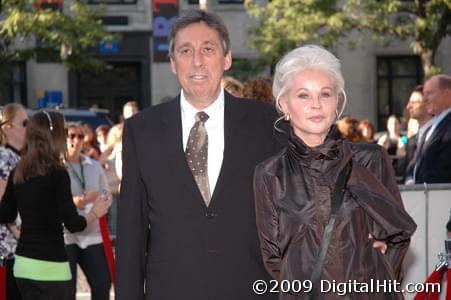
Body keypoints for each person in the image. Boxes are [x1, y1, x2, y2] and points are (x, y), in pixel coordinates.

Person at [116, 9, 282, 300]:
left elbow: (297, 208)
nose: (197, 61)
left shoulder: (268, 124)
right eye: (185, 50)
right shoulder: (141, 131)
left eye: (208, 49)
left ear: (227, 58)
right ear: (172, 62)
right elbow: (131, 234)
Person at [253, 45, 417, 299]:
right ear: (284, 105)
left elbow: (397, 236)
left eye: (325, 94)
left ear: (337, 103)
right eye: (303, 95)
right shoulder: (270, 173)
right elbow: (274, 260)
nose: (316, 104)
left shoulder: (369, 159)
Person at [0, 111, 111, 300]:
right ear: (55, 135)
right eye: (65, 131)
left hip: (24, 264)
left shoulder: (19, 171)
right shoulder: (58, 173)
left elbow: (5, 215)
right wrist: (95, 212)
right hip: (52, 265)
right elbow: (73, 224)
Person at [64, 123, 112, 300]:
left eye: (80, 136)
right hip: (66, 235)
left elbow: (106, 192)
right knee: (67, 290)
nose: (76, 140)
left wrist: (102, 200)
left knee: (102, 284)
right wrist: (76, 202)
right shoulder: (56, 167)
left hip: (92, 234)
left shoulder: (93, 165)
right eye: (71, 136)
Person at [0, 103, 28, 300]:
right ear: (7, 127)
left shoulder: (19, 158)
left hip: (17, 249)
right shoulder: (3, 157)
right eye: (24, 123)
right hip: (7, 250)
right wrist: (21, 234)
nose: (29, 128)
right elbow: (3, 200)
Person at [413, 74, 451, 183]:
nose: (424, 99)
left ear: (447, 94)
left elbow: (442, 171)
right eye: (424, 94)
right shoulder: (432, 126)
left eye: (429, 93)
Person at [404, 85, 433, 184]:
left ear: (426, 104)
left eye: (413, 103)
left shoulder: (441, 135)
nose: (408, 106)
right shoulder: (412, 141)